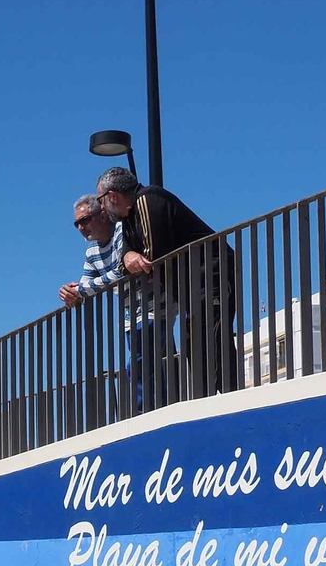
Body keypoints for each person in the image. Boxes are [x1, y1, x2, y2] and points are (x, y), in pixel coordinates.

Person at [97, 167, 238, 401]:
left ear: (112, 195)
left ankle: (228, 401)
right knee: (198, 341)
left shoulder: (147, 199)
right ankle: (214, 401)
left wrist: (138, 261)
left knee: (212, 338)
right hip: (191, 287)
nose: (101, 207)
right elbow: (126, 262)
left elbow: (152, 258)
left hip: (211, 277)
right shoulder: (130, 218)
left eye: (101, 200)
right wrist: (126, 257)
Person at [57, 195, 122, 309]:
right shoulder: (91, 252)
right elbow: (85, 289)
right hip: (130, 317)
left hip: (155, 310)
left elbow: (122, 271)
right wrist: (70, 294)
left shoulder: (121, 230)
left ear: (103, 216)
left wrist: (79, 290)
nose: (80, 228)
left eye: (85, 220)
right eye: (76, 224)